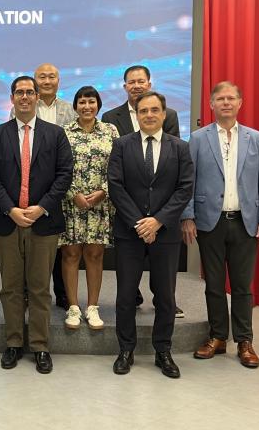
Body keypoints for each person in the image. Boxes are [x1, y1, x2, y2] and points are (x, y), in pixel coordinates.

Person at [182, 81, 259, 368]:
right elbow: (188, 181)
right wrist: (187, 216)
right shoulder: (198, 139)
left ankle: (245, 341)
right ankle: (218, 337)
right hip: (210, 221)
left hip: (245, 222)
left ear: (240, 103)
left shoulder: (256, 139)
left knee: (241, 285)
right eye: (220, 98)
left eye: (231, 98)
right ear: (211, 104)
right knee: (213, 283)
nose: (225, 102)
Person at [0, 75, 73, 374]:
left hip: (43, 222)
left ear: (37, 97)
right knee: (10, 287)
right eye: (19, 92)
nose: (24, 97)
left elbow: (64, 175)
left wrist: (41, 207)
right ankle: (12, 343)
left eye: (29, 92)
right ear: (12, 98)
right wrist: (10, 209)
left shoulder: (56, 134)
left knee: (39, 288)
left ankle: (40, 346)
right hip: (7, 221)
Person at [108, 91, 193, 379]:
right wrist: (139, 223)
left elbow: (184, 188)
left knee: (166, 296)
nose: (149, 115)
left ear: (164, 113)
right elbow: (115, 186)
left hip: (165, 233)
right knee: (125, 295)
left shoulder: (180, 147)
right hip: (128, 232)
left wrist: (157, 221)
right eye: (143, 110)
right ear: (137, 113)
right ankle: (125, 350)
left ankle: (163, 351)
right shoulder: (121, 145)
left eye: (155, 110)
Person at [102, 64, 185, 317]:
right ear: (124, 86)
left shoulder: (169, 116)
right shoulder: (110, 118)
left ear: (149, 83)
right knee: (126, 287)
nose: (136, 85)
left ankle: (164, 304)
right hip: (129, 212)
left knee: (164, 286)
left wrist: (157, 220)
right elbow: (115, 178)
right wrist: (139, 222)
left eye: (141, 81)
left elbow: (172, 170)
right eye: (131, 81)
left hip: (162, 214)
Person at [59, 86, 118, 330]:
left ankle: (92, 307)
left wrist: (104, 191)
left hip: (100, 203)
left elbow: (118, 165)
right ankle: (73, 307)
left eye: (91, 102)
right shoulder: (64, 132)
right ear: (75, 107)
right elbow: (58, 166)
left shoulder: (110, 130)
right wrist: (73, 194)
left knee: (95, 254)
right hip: (71, 203)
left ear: (98, 105)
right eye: (82, 102)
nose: (86, 107)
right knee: (71, 254)